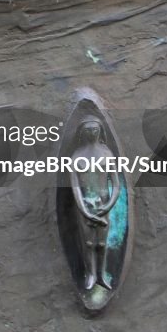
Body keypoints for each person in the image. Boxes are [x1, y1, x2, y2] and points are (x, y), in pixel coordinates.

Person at [69, 119, 120, 291]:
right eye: (88, 129)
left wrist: (108, 206)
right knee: (88, 242)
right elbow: (75, 187)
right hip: (85, 205)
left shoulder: (106, 154)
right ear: (82, 132)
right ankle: (90, 275)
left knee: (102, 244)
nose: (92, 132)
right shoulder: (76, 156)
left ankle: (101, 275)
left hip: (103, 204)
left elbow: (116, 185)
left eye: (95, 128)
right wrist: (84, 210)